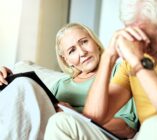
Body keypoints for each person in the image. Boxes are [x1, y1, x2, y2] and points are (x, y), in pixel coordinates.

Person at [45, 0, 157, 140]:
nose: (142, 45)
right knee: (61, 122)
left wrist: (138, 62)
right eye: (135, 35)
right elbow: (95, 116)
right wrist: (109, 56)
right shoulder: (132, 57)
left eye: (149, 36)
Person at [0, 23, 138, 140]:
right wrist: (8, 82)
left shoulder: (119, 71)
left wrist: (77, 116)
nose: (82, 52)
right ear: (67, 60)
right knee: (20, 85)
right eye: (72, 51)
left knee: (55, 117)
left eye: (84, 42)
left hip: (96, 134)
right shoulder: (61, 85)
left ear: (95, 42)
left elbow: (127, 129)